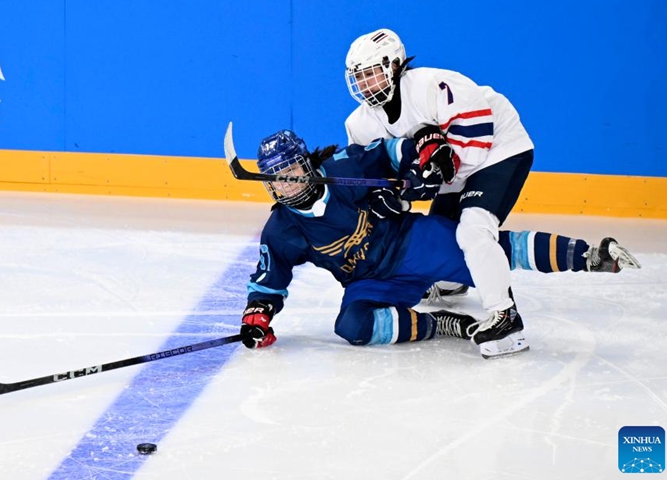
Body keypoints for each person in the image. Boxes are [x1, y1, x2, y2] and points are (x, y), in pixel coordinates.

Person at [238, 129, 640, 359]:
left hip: (412, 242)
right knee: (352, 326)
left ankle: (589, 256)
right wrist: (258, 314)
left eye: (290, 171)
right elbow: (269, 281)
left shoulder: (342, 168)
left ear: (306, 166)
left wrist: (415, 167)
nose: (284, 183)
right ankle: (439, 324)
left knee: (489, 250)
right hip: (369, 282)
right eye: (274, 178)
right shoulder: (281, 229)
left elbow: (394, 151)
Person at [343, 28, 534, 333]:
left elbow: (475, 141)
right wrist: (391, 194)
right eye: (359, 77)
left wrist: (428, 179)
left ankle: (505, 314)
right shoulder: (360, 123)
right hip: (460, 162)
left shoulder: (431, 85)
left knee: (473, 229)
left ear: (393, 66)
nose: (365, 84)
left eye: (371, 74)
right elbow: (378, 173)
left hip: (499, 148)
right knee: (441, 233)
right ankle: (452, 284)